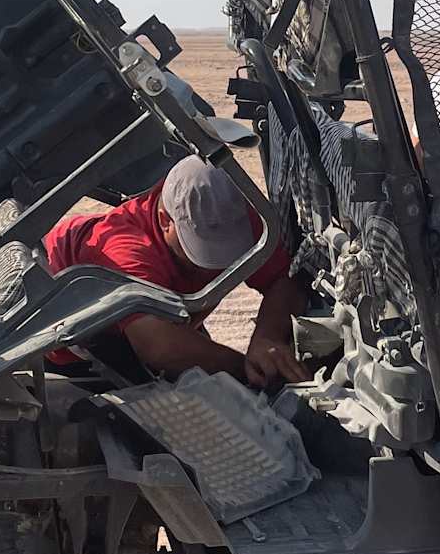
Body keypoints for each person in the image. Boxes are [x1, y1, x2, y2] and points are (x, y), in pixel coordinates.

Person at [43, 155, 310, 389]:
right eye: (203, 249)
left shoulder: (230, 215)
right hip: (72, 343)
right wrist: (248, 368)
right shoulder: (122, 250)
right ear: (165, 221)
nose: (216, 266)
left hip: (168, 318)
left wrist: (267, 337)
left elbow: (284, 279)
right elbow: (158, 346)